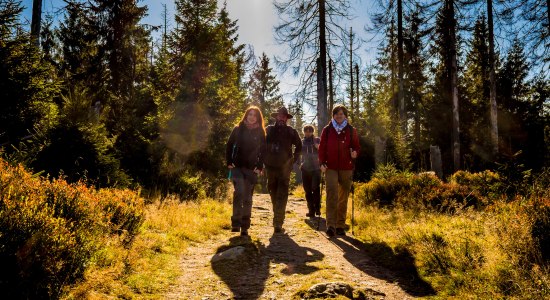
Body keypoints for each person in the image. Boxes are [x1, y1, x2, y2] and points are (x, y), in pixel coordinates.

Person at [318, 104, 360, 237]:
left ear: (345, 116)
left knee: (343, 197)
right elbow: (322, 148)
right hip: (330, 167)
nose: (339, 116)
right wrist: (321, 163)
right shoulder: (327, 130)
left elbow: (356, 147)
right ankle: (330, 225)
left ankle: (340, 225)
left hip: (346, 167)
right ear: (333, 116)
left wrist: (355, 153)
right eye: (336, 114)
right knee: (332, 195)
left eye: (341, 114)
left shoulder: (351, 130)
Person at [226, 106, 266, 236]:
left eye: (255, 115)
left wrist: (259, 166)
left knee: (248, 197)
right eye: (250, 114)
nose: (252, 117)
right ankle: (236, 223)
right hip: (237, 166)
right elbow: (229, 144)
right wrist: (229, 161)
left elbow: (263, 150)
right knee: (239, 193)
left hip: (251, 169)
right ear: (246, 115)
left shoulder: (260, 132)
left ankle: (245, 226)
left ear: (258, 118)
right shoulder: (238, 129)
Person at [264, 107, 302, 234]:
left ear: (287, 118)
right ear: (276, 117)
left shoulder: (291, 131)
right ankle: (277, 216)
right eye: (280, 116)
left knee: (283, 194)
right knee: (273, 192)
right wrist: (262, 160)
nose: (281, 118)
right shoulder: (269, 130)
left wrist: (293, 160)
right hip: (270, 166)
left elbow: (299, 146)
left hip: (285, 168)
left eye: (284, 116)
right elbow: (260, 144)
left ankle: (278, 222)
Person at [300, 125, 321, 218]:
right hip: (305, 169)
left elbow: (323, 151)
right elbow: (298, 153)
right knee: (307, 190)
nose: (308, 133)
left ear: (313, 131)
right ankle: (311, 210)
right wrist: (299, 163)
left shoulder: (317, 140)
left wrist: (318, 147)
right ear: (303, 132)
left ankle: (317, 208)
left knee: (315, 188)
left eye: (310, 131)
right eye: (306, 131)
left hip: (316, 168)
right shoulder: (302, 142)